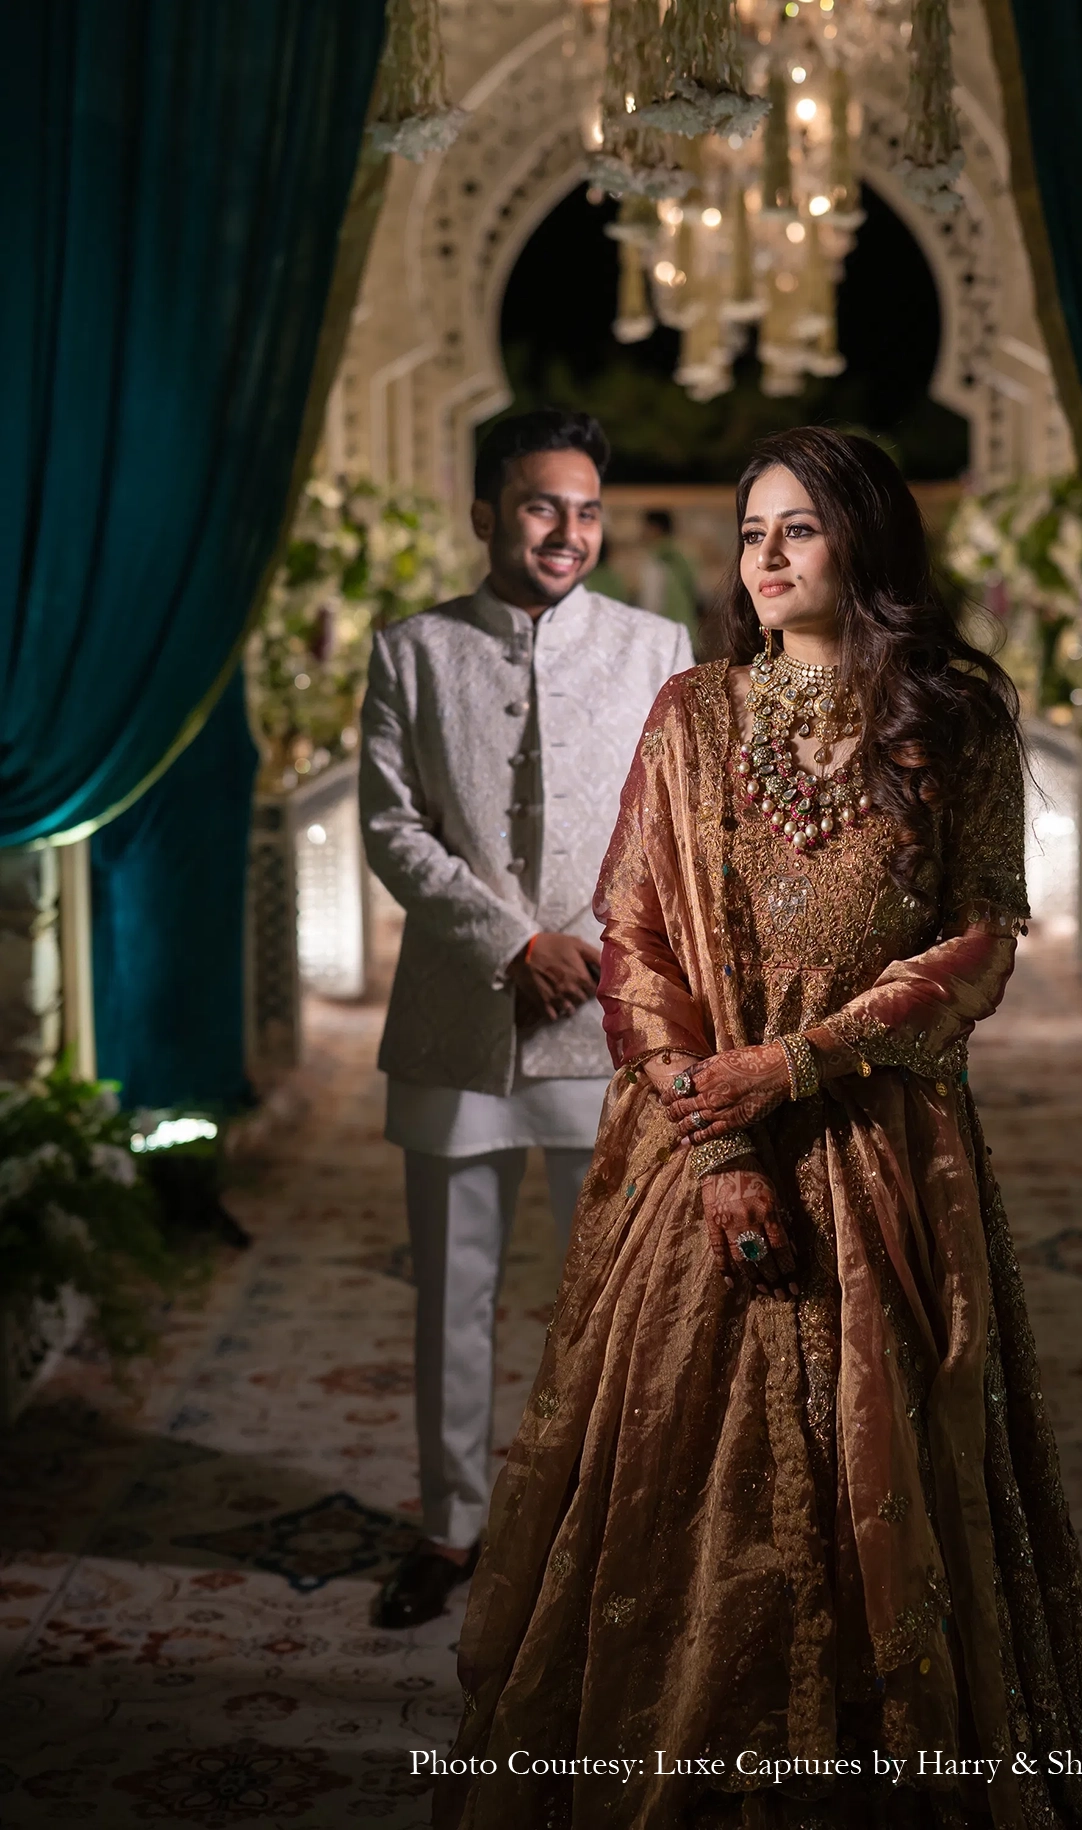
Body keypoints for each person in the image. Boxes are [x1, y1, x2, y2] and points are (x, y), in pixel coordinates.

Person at [434, 429, 1082, 1830]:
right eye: (753, 529)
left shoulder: (953, 721)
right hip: (703, 1156)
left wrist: (807, 1058)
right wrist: (719, 1136)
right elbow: (632, 939)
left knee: (885, 1468)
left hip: (887, 1145)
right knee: (675, 1476)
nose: (763, 553)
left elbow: (985, 939)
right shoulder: (690, 717)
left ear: (865, 544)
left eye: (799, 528)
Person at [358, 408, 693, 1631]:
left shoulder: (656, 646)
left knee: (608, 1292)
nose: (568, 531)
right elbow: (392, 828)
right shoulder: (411, 651)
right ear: (487, 514)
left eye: (587, 509)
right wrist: (513, 943)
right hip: (460, 1014)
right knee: (452, 1289)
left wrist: (595, 951)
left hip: (606, 1020)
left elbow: (672, 824)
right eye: (543, 506)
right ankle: (449, 1530)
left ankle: (596, 1525)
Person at [638, 505, 702, 651]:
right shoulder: (683, 555)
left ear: (655, 529)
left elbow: (652, 601)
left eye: (645, 527)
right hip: (688, 634)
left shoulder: (657, 559)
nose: (642, 533)